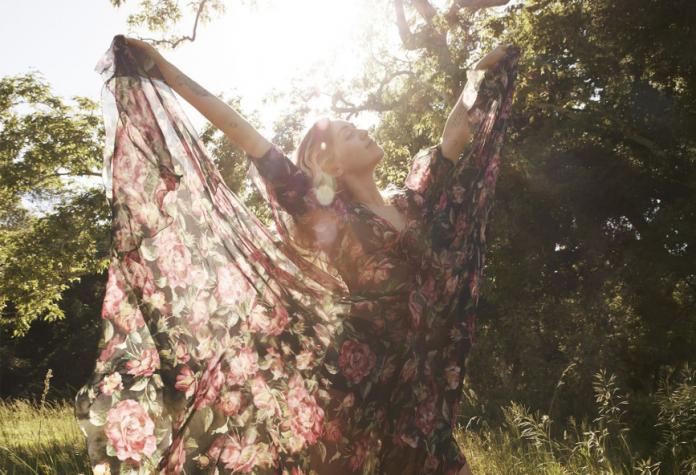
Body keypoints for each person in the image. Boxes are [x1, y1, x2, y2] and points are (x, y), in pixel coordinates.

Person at [75, 32, 518, 474]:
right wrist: (166, 70)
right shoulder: (333, 216)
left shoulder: (415, 202)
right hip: (362, 381)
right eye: (349, 134)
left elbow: (453, 136)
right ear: (334, 166)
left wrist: (479, 73)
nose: (363, 130)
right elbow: (247, 136)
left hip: (419, 381)